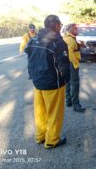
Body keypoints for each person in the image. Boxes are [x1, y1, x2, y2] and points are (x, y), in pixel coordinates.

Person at [25, 15, 70, 149]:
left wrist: (32, 76)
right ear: (56, 25)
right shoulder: (58, 42)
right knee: (54, 112)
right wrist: (65, 79)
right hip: (53, 84)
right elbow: (64, 65)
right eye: (60, 24)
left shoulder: (33, 39)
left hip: (38, 82)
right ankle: (52, 140)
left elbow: (29, 59)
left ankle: (40, 136)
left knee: (40, 111)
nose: (61, 26)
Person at [63, 23, 86, 113]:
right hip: (72, 64)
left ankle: (68, 101)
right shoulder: (70, 39)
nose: (77, 30)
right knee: (75, 84)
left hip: (68, 64)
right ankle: (76, 105)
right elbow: (70, 53)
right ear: (70, 30)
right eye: (75, 28)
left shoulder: (69, 38)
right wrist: (75, 63)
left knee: (68, 83)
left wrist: (80, 45)